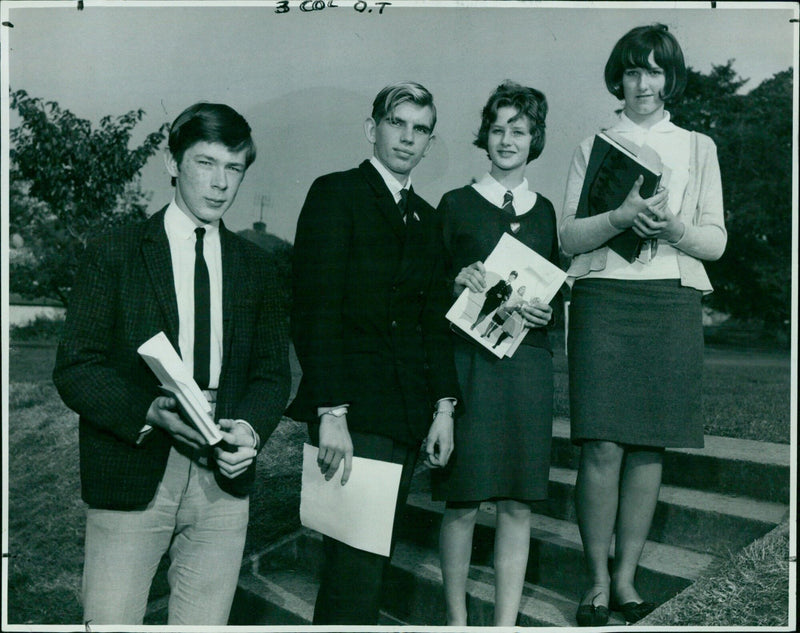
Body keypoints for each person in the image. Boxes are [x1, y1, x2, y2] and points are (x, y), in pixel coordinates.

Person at [53, 102, 291, 626]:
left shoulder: (258, 267)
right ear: (171, 162)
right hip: (134, 470)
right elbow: (76, 365)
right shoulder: (114, 251)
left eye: (234, 168)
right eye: (206, 163)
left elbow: (274, 372)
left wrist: (249, 431)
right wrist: (148, 411)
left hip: (223, 484)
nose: (220, 183)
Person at [559, 24, 726, 626]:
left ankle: (628, 580)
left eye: (654, 71)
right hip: (604, 299)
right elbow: (568, 236)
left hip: (669, 300)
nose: (643, 83)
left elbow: (716, 242)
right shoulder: (594, 144)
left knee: (648, 444)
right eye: (633, 71)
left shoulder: (698, 147)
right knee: (602, 443)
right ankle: (597, 582)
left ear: (669, 78)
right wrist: (620, 215)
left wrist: (674, 229)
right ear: (619, 79)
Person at [287, 81, 461, 625]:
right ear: (373, 129)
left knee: (368, 564)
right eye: (397, 123)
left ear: (430, 141)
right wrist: (331, 412)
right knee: (353, 570)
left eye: (420, 129)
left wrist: (444, 408)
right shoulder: (336, 193)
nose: (408, 138)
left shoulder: (427, 219)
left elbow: (434, 323)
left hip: (406, 417)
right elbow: (314, 309)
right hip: (354, 414)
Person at [431, 80, 559, 627]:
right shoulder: (456, 203)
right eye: (499, 128)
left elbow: (554, 291)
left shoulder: (546, 210)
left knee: (518, 502)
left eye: (520, 130)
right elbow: (428, 291)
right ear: (484, 135)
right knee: (462, 501)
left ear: (536, 140)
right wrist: (452, 279)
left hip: (527, 369)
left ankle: (504, 624)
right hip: (470, 369)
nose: (507, 139)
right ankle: (458, 620)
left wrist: (549, 313)